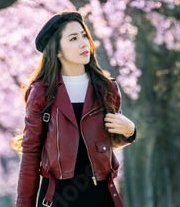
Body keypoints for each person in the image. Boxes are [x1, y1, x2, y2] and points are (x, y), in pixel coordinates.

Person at [12, 11, 137, 207]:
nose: (83, 43)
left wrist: (130, 131)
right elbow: (30, 154)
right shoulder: (41, 93)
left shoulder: (106, 88)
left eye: (84, 35)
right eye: (73, 38)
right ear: (58, 51)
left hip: (101, 197)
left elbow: (109, 140)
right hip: (57, 198)